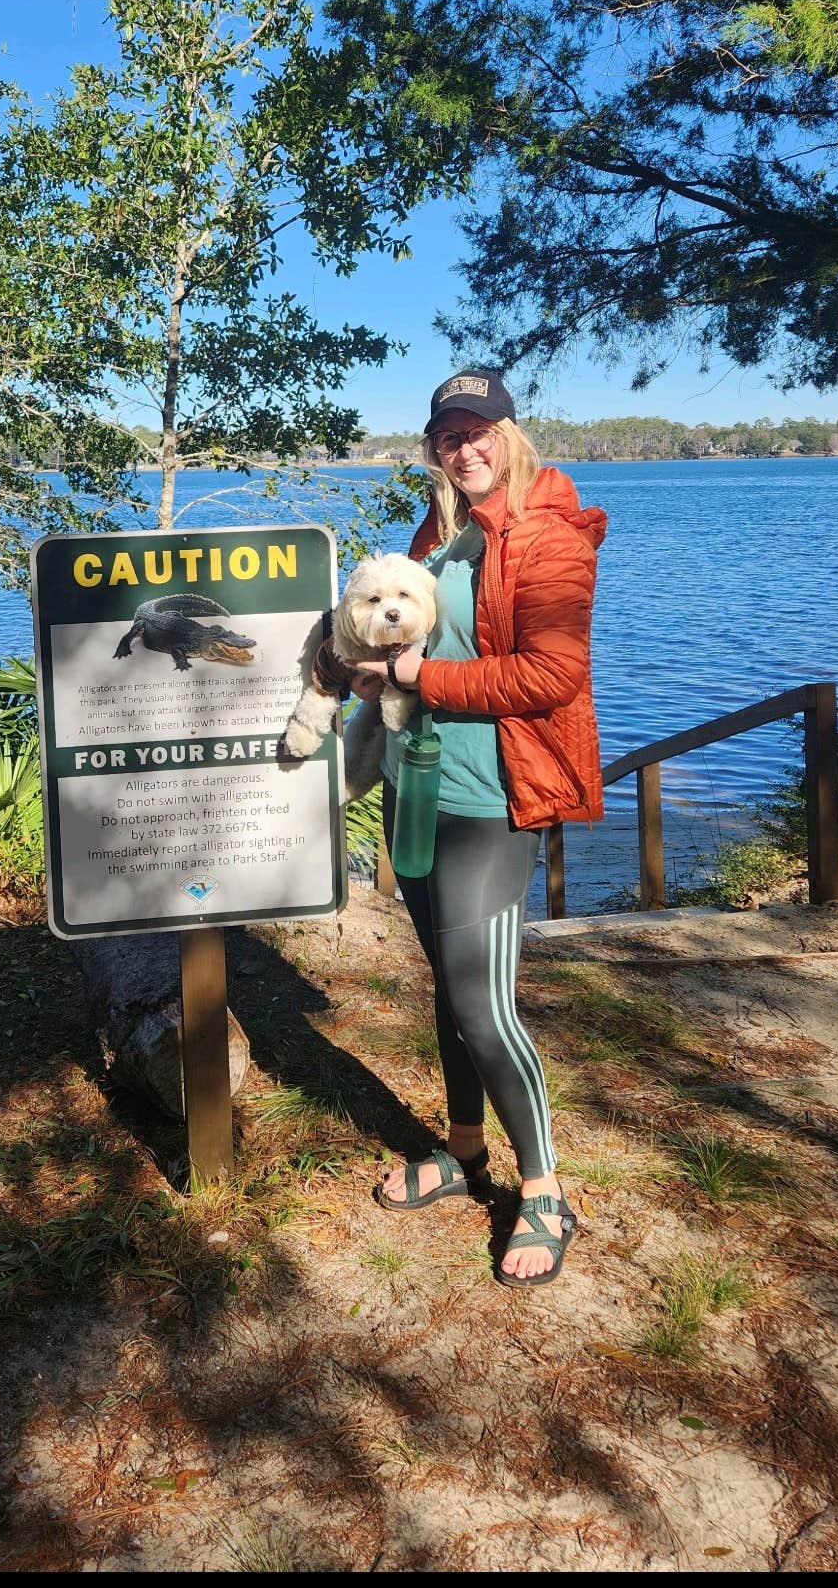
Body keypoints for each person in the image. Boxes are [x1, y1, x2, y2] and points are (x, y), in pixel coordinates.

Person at [349, 367, 606, 1286]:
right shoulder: (439, 533)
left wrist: (421, 680)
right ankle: (463, 1157)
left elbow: (548, 678)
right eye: (449, 435)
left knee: (482, 1003)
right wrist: (374, 670)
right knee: (446, 992)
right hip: (420, 790)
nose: (465, 447)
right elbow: (408, 634)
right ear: (433, 448)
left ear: (510, 432)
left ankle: (543, 1188)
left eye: (479, 429)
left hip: (497, 797)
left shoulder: (551, 535)